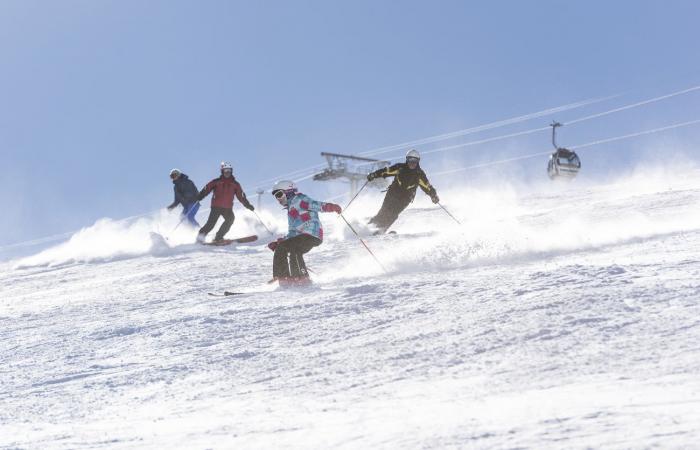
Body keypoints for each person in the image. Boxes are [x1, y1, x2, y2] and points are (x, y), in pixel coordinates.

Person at [268, 180, 342, 286]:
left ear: (289, 191)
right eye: (276, 196)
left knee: (292, 248)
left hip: (311, 234)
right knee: (288, 249)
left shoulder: (300, 199)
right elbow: (293, 232)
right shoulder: (290, 209)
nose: (278, 199)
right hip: (301, 237)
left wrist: (330, 207)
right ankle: (286, 279)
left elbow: (315, 205)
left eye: (279, 194)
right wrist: (281, 241)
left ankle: (300, 278)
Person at [366, 149, 439, 234]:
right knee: (384, 210)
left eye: (415, 161)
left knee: (394, 213)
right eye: (410, 160)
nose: (412, 163)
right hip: (393, 193)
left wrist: (433, 195)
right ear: (407, 160)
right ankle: (368, 228)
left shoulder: (419, 174)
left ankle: (381, 230)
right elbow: (386, 171)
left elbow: (427, 186)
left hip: (405, 198)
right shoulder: (400, 168)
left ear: (418, 161)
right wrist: (374, 175)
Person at [196, 162, 255, 243]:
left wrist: (248, 205)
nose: (227, 172)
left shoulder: (235, 184)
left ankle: (218, 237)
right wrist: (200, 196)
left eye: (229, 170)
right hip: (216, 206)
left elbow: (241, 196)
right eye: (225, 170)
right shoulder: (216, 181)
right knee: (211, 223)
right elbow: (207, 188)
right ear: (222, 171)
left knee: (230, 220)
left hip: (227, 208)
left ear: (231, 171)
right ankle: (200, 237)